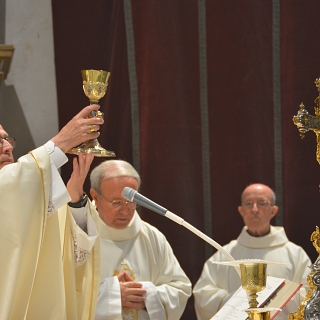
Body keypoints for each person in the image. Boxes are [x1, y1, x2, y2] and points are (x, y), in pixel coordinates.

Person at [0, 104, 103, 320]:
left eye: (7, 140)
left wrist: (74, 197)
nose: (8, 147)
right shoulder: (15, 190)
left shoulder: (36, 200)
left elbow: (72, 259)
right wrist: (62, 141)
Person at [89, 159, 192, 320]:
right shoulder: (80, 238)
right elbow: (64, 297)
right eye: (116, 202)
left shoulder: (152, 237)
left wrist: (147, 297)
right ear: (95, 196)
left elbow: (181, 289)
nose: (125, 210)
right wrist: (112, 297)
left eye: (132, 202)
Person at [193, 183, 311, 320]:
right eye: (248, 204)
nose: (254, 209)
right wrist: (237, 300)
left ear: (273, 210)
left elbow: (310, 297)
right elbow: (203, 295)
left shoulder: (295, 255)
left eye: (262, 203)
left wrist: (279, 297)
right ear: (241, 211)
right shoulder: (224, 254)